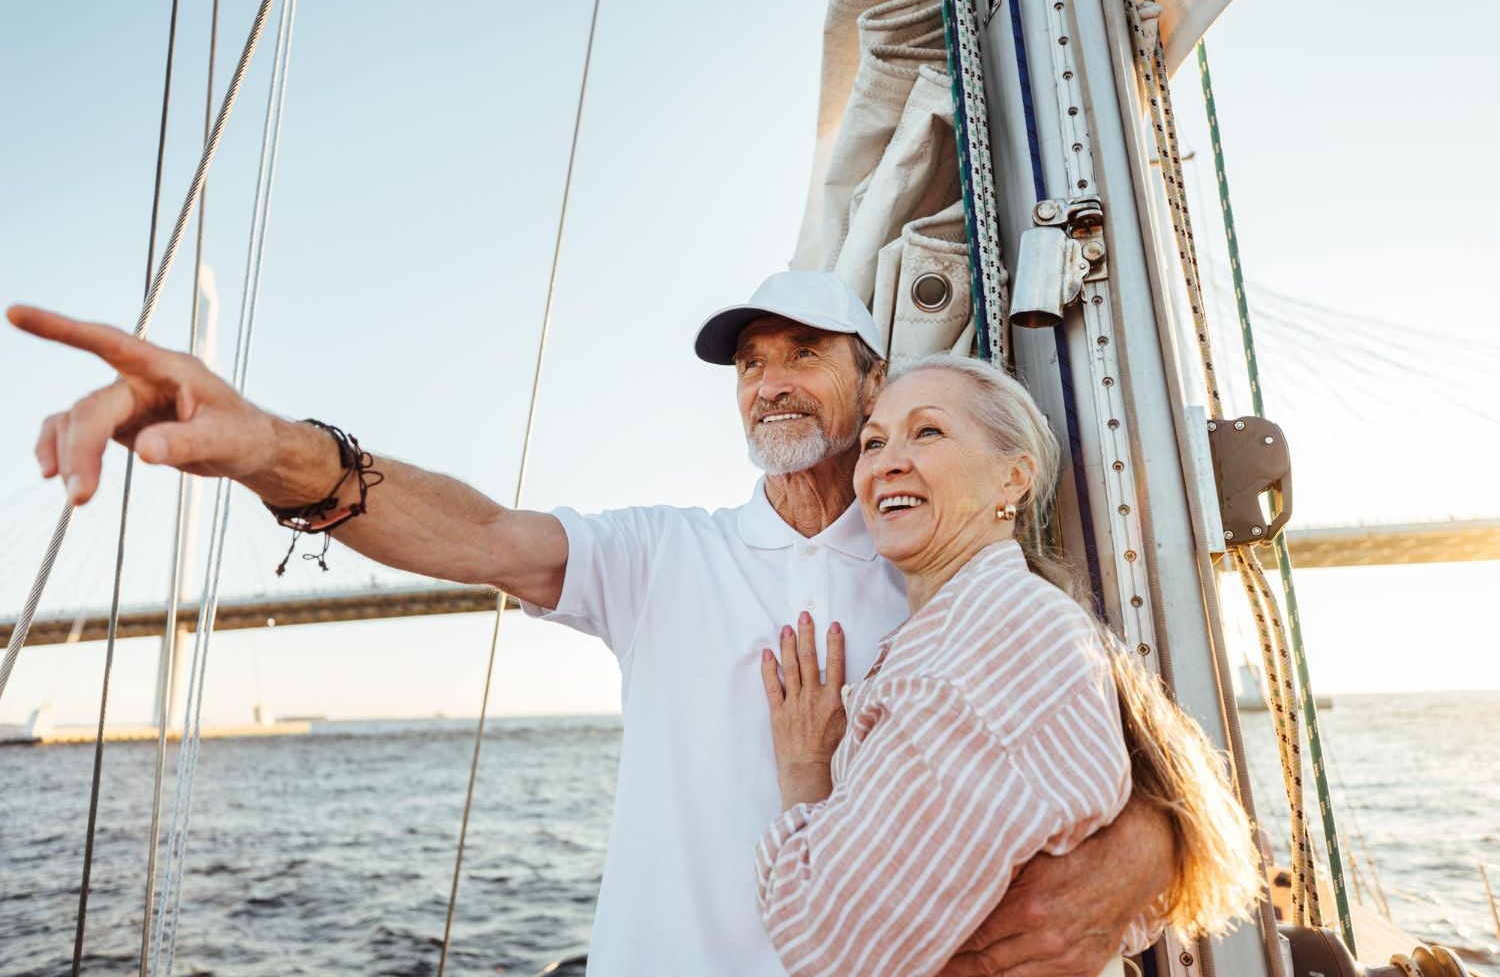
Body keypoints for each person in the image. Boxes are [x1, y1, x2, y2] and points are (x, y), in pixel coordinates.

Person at [9, 271, 1177, 976]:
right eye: (749, 364)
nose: (768, 381)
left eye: (803, 353)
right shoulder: (667, 554)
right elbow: (477, 532)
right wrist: (277, 450)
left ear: (873, 384)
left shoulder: (954, 579)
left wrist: (1146, 854)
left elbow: (1117, 755)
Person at [755, 354, 1263, 977]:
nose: (887, 462)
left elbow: (827, 942)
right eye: (873, 442)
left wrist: (805, 771)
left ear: (1013, 478)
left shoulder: (976, 646)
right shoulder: (1004, 622)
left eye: (929, 431)